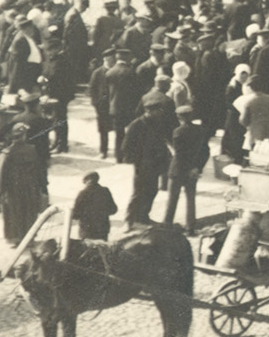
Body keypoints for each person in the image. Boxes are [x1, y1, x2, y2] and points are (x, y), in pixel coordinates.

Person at [120, 99, 171, 227]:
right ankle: (129, 220)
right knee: (138, 193)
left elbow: (162, 141)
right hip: (142, 164)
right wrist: (136, 162)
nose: (160, 113)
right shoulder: (136, 125)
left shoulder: (158, 122)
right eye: (157, 110)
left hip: (156, 163)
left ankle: (143, 217)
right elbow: (126, 146)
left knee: (152, 190)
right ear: (148, 111)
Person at [0, 124, 47, 242]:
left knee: (13, 213)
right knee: (30, 212)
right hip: (30, 188)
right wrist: (43, 186)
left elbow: (0, 174)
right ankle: (29, 238)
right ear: (24, 136)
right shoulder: (32, 150)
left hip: (13, 190)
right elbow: (39, 170)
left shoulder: (7, 153)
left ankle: (15, 238)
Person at [164, 106, 208, 231]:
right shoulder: (200, 130)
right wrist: (197, 168)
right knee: (191, 199)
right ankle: (190, 227)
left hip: (178, 170)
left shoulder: (178, 131)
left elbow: (179, 154)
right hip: (192, 170)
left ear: (179, 117)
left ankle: (167, 227)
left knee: (172, 200)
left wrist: (169, 146)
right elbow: (205, 151)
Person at [71, 171, 118, 241]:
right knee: (101, 249)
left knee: (88, 250)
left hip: (87, 231)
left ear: (86, 181)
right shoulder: (105, 191)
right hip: (102, 229)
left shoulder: (83, 193)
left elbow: (75, 215)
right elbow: (113, 209)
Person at [236, 79, 269, 148]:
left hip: (255, 132)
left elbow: (243, 120)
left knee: (256, 153)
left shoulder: (249, 102)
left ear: (251, 88)